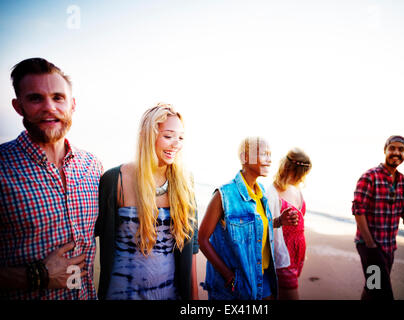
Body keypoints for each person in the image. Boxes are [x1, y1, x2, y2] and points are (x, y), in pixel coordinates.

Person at [0, 58, 103, 299]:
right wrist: (37, 275)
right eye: (36, 98)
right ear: (18, 106)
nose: (49, 107)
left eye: (58, 97)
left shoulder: (92, 167)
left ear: (72, 104)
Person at [95, 103, 198, 300]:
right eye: (168, 136)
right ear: (148, 136)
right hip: (120, 294)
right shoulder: (115, 179)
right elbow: (87, 232)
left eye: (181, 138)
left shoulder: (185, 184)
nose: (176, 144)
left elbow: (191, 248)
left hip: (170, 294)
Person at [199, 137, 278, 300]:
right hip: (234, 287)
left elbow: (256, 228)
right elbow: (202, 239)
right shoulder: (224, 195)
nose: (269, 160)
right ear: (245, 158)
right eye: (264, 154)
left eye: (270, 155)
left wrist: (279, 221)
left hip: (263, 276)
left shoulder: (261, 192)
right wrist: (228, 276)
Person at [352, 135, 404, 300]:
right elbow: (358, 210)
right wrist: (371, 245)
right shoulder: (370, 177)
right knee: (383, 293)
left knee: (372, 287)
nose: (396, 152)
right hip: (369, 247)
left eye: (401, 149)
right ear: (385, 150)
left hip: (389, 247)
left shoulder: (402, 182)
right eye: (392, 148)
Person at [266, 148, 312, 300]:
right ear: (297, 172)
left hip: (297, 252)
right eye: (303, 174)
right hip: (282, 253)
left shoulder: (296, 189)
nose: (303, 178)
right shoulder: (272, 193)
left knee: (279, 294)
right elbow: (265, 224)